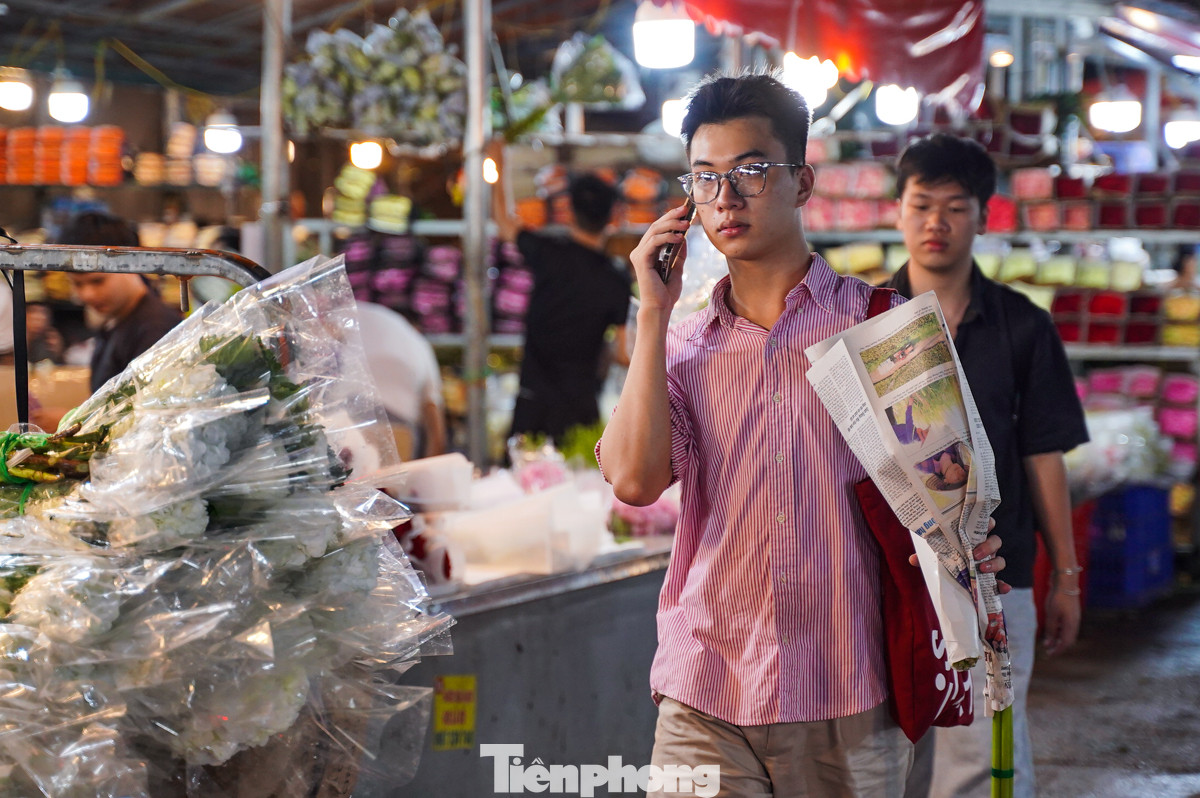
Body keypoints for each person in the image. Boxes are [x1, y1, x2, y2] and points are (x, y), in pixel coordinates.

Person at [596, 72, 1007, 798]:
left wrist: (970, 534)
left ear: (801, 180)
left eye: (751, 170)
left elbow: (954, 490)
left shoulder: (883, 329)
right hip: (705, 691)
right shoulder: (684, 345)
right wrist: (650, 314)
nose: (727, 197)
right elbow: (632, 482)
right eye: (705, 177)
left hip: (849, 689)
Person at [886, 133, 1089, 798]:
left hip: (994, 577)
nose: (935, 224)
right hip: (884, 574)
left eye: (955, 207)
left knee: (985, 756)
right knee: (877, 752)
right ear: (898, 211)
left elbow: (1043, 453)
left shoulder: (1022, 326)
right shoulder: (863, 322)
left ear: (984, 215)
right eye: (921, 205)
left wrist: (1064, 575)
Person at [494, 163, 632, 443]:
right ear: (612, 218)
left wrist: (497, 161)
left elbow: (503, 221)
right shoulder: (616, 277)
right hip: (580, 405)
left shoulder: (547, 254)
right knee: (584, 484)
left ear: (569, 212)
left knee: (522, 481)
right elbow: (623, 352)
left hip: (533, 401)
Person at [57, 211, 183, 391]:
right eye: (77, 284)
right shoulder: (115, 318)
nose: (87, 295)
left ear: (132, 266)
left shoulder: (155, 330)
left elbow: (148, 413)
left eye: (98, 281)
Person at [356, 301, 446, 460]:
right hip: (395, 425)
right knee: (389, 484)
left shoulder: (366, 317)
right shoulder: (418, 343)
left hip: (346, 416)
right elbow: (433, 414)